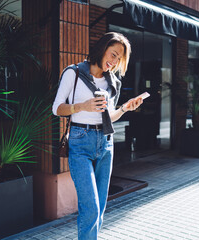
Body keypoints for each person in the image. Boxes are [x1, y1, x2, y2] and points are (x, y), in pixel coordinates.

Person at [52, 32, 143, 240]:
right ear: (102, 49)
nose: (114, 62)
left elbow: (108, 117)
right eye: (113, 54)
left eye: (119, 59)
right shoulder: (73, 73)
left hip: (105, 144)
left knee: (99, 209)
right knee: (90, 207)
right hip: (80, 141)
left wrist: (124, 109)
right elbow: (56, 108)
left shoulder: (112, 82)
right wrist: (82, 106)